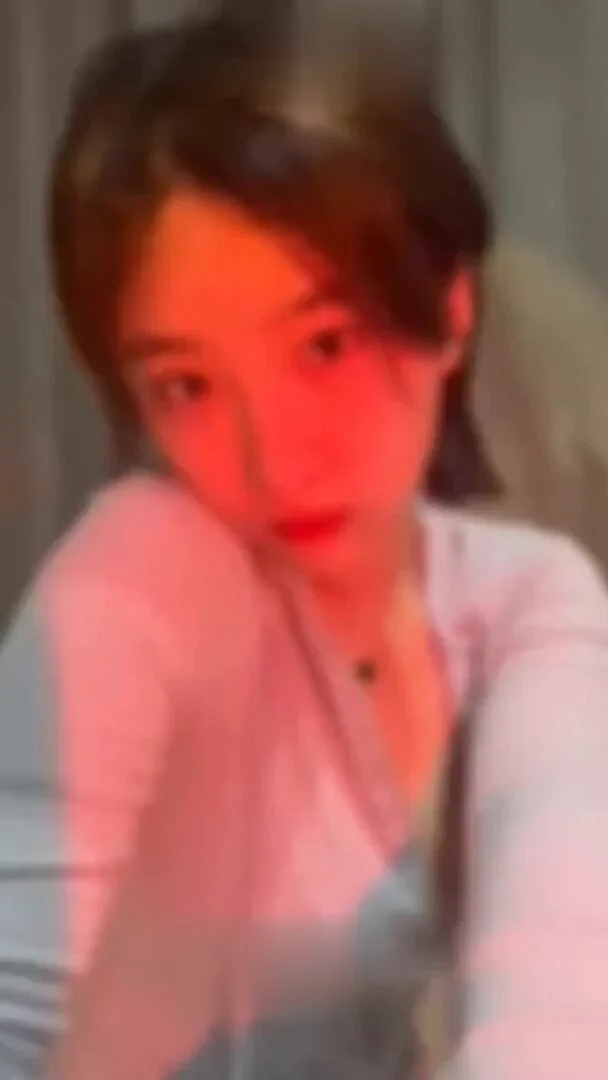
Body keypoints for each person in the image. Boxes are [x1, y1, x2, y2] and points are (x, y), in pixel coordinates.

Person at [1, 6, 608, 1079]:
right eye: (186, 386)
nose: (271, 457)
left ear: (450, 307)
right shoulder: (142, 579)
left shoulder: (520, 598)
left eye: (324, 345)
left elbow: (559, 992)